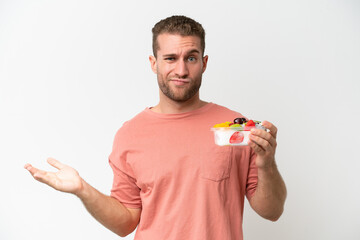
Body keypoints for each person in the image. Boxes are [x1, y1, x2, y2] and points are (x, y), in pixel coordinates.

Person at [24, 15, 287, 239]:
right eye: (171, 58)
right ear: (154, 63)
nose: (181, 70)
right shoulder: (130, 135)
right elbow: (125, 222)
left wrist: (266, 164)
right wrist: (83, 190)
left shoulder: (234, 129)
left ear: (204, 63)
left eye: (191, 58)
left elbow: (271, 211)